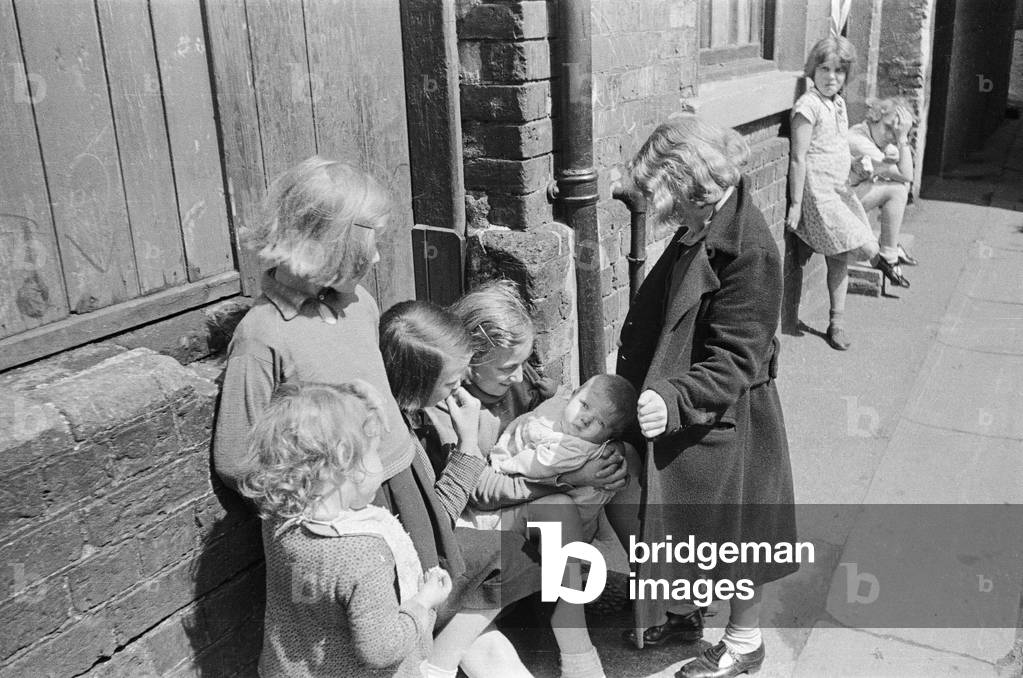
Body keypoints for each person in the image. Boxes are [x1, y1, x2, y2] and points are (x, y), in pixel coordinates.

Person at [212, 157, 531, 678]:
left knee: (438, 591)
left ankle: (437, 661)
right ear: (333, 244)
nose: (379, 257)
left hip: (402, 484)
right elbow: (237, 459)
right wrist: (323, 506)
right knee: (381, 632)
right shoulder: (264, 333)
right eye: (370, 245)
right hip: (345, 510)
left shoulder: (357, 303)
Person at [619, 115, 798, 678]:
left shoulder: (750, 250)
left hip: (727, 410)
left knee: (738, 534)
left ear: (691, 181)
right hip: (690, 400)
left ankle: (745, 643)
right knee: (682, 519)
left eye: (668, 196)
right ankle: (686, 612)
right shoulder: (706, 219)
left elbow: (738, 359)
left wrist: (672, 399)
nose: (664, 211)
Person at [380, 298, 610, 678]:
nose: (519, 377)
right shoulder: (438, 412)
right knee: (515, 560)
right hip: (450, 544)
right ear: (469, 362)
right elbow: (454, 506)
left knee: (497, 654)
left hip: (465, 537)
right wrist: (566, 476)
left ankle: (579, 649)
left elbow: (545, 398)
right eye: (508, 367)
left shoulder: (506, 387)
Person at [240, 381, 452, 678]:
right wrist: (423, 602)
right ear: (343, 458)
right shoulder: (363, 554)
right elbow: (383, 649)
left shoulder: (280, 519)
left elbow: (313, 591)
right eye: (375, 453)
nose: (379, 464)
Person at [787, 36, 910, 352]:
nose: (831, 77)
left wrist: (858, 166)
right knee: (855, 234)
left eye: (839, 71)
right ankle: (881, 260)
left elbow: (839, 148)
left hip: (840, 186)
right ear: (813, 69)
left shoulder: (838, 104)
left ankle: (836, 322)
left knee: (839, 258)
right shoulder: (808, 106)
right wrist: (796, 204)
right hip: (818, 193)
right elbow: (799, 157)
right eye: (825, 68)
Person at [459, 374, 638, 534]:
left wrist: (507, 464)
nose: (585, 418)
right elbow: (564, 395)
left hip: (568, 516)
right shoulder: (566, 406)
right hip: (502, 499)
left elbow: (533, 465)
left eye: (600, 421)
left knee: (561, 508)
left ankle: (641, 559)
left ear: (609, 435)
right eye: (584, 405)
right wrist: (556, 390)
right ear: (574, 395)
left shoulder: (571, 448)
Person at [848, 96, 919, 268]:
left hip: (851, 198)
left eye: (896, 131)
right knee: (898, 189)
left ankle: (890, 247)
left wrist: (900, 139)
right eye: (888, 127)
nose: (890, 136)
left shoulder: (876, 136)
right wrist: (902, 138)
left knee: (899, 185)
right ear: (875, 117)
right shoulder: (859, 140)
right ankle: (888, 254)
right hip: (840, 205)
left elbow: (904, 172)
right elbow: (906, 175)